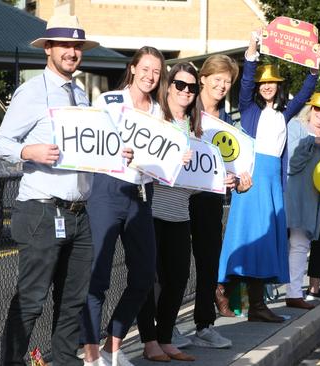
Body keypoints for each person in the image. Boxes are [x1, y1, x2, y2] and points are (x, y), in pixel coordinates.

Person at [0, 15, 125, 365]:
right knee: (32, 299)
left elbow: (92, 149)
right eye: (65, 45)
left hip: (79, 215)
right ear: (48, 49)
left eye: (77, 46)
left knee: (73, 302)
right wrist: (27, 152)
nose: (72, 52)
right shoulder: (33, 91)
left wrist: (116, 152)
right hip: (42, 209)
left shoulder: (81, 95)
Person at [217, 31, 320, 322]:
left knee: (267, 240)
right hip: (252, 179)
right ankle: (222, 288)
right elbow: (246, 82)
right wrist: (252, 52)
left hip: (274, 181)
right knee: (248, 237)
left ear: (278, 85)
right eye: (264, 83)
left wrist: (314, 68)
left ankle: (256, 305)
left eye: (272, 83)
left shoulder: (285, 114)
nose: (267, 87)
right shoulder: (249, 109)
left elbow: (304, 96)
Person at [80, 46, 166, 366]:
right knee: (97, 276)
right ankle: (90, 357)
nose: (149, 76)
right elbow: (91, 144)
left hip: (142, 196)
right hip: (107, 190)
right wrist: (116, 151)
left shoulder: (159, 111)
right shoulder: (109, 102)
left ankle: (111, 347)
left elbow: (162, 157)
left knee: (144, 276)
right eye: (144, 69)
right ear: (132, 69)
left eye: (156, 71)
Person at [136, 62, 199, 363]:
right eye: (180, 85)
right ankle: (149, 341)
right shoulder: (156, 120)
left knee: (178, 278)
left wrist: (220, 181)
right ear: (169, 86)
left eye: (192, 87)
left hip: (180, 213)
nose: (186, 91)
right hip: (152, 210)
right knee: (149, 278)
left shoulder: (197, 128)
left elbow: (199, 179)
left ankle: (166, 337)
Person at [189, 55, 252, 349]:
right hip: (176, 198)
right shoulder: (185, 106)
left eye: (228, 81)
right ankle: (163, 328)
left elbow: (233, 165)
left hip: (210, 201)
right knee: (167, 267)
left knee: (207, 263)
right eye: (217, 78)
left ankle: (204, 325)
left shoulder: (228, 123)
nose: (222, 85)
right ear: (203, 78)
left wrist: (238, 181)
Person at [284, 93, 320, 310]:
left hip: (316, 197)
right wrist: (314, 142)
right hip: (295, 193)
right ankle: (287, 293)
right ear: (310, 109)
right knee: (290, 242)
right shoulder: (296, 126)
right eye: (317, 109)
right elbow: (292, 163)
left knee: (301, 244)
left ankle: (294, 292)